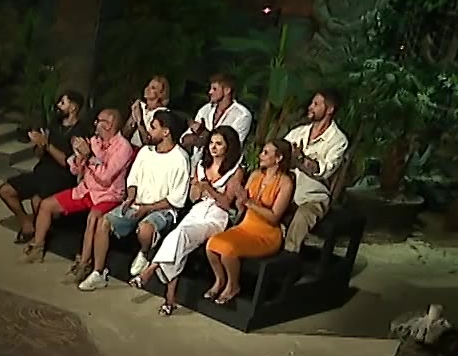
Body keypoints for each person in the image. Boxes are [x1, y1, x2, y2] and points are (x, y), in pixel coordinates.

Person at [77, 108, 192, 291]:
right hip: (137, 203)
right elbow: (133, 180)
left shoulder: (180, 158)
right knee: (104, 222)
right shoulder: (145, 152)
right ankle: (98, 272)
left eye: (153, 127)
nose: (149, 131)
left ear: (166, 132)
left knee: (145, 229)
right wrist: (130, 197)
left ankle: (145, 253)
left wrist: (148, 208)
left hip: (163, 209)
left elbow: (176, 199)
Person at [137, 125, 245, 316]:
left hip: (216, 216)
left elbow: (226, 203)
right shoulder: (201, 166)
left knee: (181, 235)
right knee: (178, 241)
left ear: (228, 147)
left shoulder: (235, 171)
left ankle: (151, 269)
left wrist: (208, 188)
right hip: (197, 211)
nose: (213, 147)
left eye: (219, 144)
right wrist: (195, 188)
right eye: (211, 143)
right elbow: (194, 198)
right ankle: (169, 300)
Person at [23, 108, 134, 264]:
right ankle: (37, 247)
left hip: (108, 195)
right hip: (85, 190)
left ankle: (84, 262)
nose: (95, 124)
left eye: (99, 121)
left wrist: (89, 156)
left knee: (93, 218)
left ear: (109, 124)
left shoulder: (123, 148)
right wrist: (79, 156)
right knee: (46, 205)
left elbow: (106, 178)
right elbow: (75, 169)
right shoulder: (94, 141)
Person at [204, 137, 297, 305]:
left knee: (228, 250)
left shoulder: (285, 183)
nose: (261, 155)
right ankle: (220, 280)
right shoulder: (255, 175)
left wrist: (249, 203)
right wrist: (239, 198)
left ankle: (233, 286)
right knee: (212, 244)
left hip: (266, 234)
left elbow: (274, 217)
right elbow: (242, 206)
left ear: (279, 158)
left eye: (266, 153)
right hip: (245, 226)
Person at [0, 89, 87, 242]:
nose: (58, 106)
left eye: (62, 103)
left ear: (73, 107)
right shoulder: (54, 125)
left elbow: (67, 163)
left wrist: (47, 145)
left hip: (62, 177)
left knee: (37, 200)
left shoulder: (81, 131)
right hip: (41, 172)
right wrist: (39, 144)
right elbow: (39, 154)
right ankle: (27, 224)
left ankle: (41, 235)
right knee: (5, 191)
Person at [282, 88, 351, 251]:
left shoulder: (338, 140)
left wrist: (300, 159)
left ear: (329, 109)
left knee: (302, 216)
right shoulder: (298, 132)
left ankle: (289, 255)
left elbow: (324, 171)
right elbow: (280, 152)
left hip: (312, 197)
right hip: (285, 191)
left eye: (315, 104)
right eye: (312, 103)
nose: (310, 107)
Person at [181, 72, 254, 167]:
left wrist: (203, 134)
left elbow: (232, 145)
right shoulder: (205, 110)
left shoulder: (242, 115)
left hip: (225, 167)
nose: (210, 92)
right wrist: (197, 136)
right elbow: (184, 139)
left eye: (214, 89)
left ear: (227, 90)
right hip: (198, 164)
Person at [128, 76, 171, 147]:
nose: (147, 89)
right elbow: (125, 133)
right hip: (132, 146)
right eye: (148, 86)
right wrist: (133, 115)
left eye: (153, 88)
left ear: (161, 94)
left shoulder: (163, 114)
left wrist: (139, 121)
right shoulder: (141, 106)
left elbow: (148, 142)